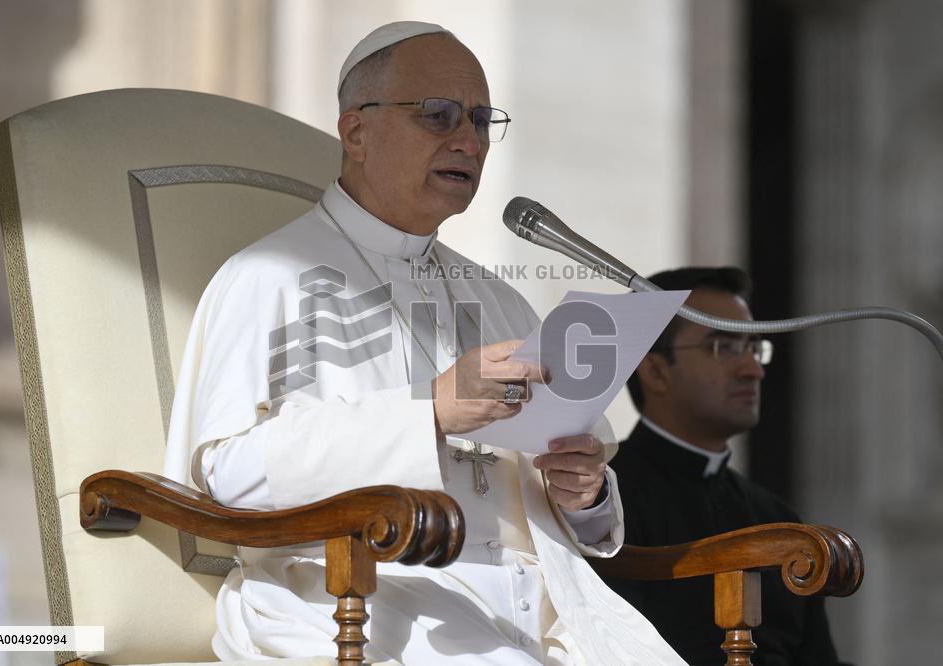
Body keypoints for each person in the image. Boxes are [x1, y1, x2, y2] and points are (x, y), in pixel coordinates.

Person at [163, 20, 685, 665]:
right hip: (361, 599)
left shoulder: (497, 296)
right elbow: (224, 476)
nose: (467, 140)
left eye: (480, 118)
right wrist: (430, 412)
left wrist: (583, 493)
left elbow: (542, 491)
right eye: (437, 115)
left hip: (543, 609)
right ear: (356, 132)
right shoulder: (270, 276)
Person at [590, 267, 845, 665]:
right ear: (655, 370)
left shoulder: (776, 517)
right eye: (722, 347)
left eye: (752, 348)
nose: (752, 369)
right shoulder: (598, 498)